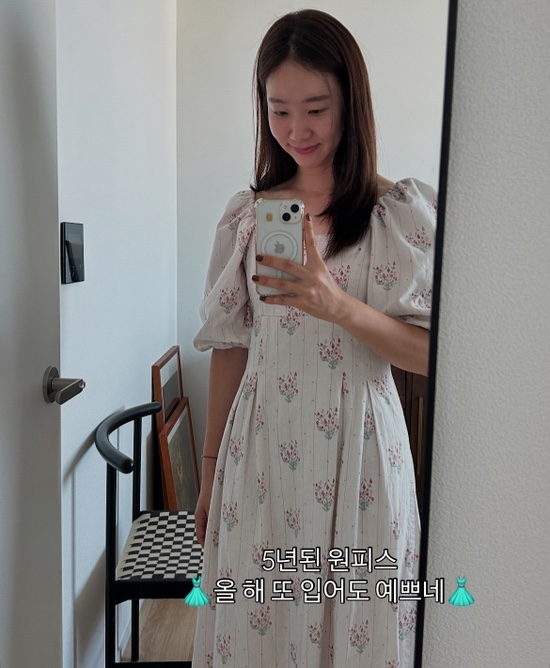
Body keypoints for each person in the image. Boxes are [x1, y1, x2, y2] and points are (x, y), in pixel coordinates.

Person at [192, 9, 436, 668]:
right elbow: (231, 347)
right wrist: (209, 474)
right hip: (262, 452)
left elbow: (432, 355)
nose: (297, 130)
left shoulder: (395, 214)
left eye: (316, 109)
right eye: (279, 111)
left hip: (362, 454)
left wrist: (338, 306)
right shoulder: (249, 217)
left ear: (350, 104)